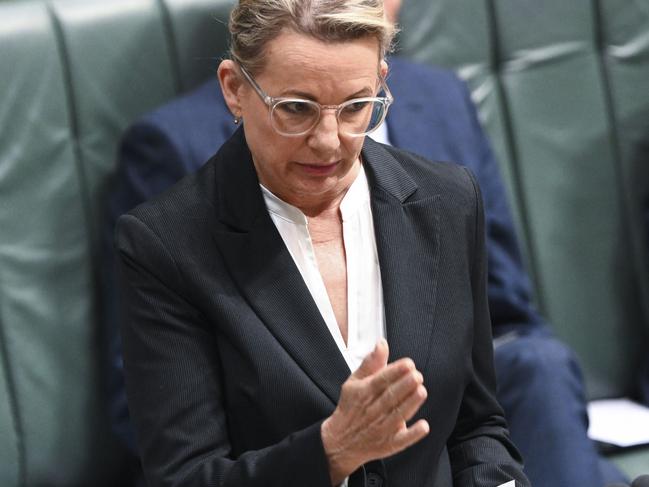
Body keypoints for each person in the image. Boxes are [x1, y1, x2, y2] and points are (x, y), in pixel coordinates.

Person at [104, 2, 628, 487]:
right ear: (234, 89)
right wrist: (329, 451)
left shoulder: (447, 200)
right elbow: (185, 476)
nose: (329, 140)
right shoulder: (165, 245)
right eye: (296, 109)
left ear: (381, 82)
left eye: (357, 108)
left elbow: (477, 426)